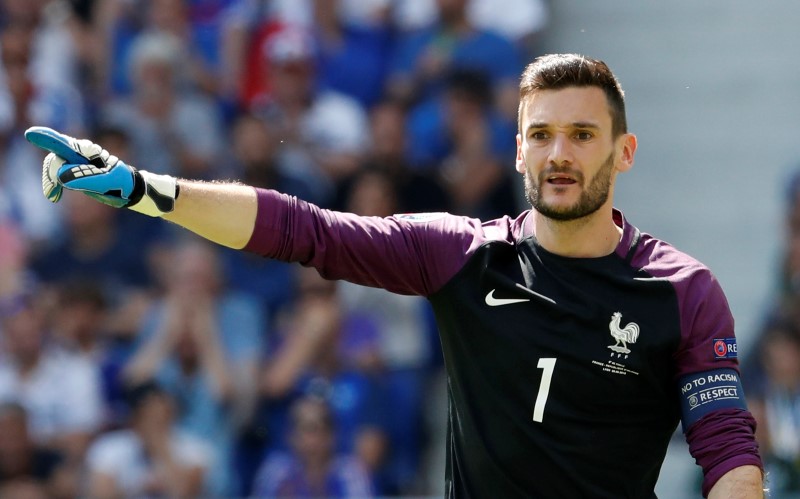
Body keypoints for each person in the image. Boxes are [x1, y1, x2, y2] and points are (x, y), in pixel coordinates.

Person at [27, 53, 763, 497]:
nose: (558, 153)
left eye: (581, 134)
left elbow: (728, 452)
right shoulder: (463, 254)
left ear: (624, 151)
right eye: (540, 134)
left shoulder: (682, 291)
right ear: (517, 152)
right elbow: (304, 229)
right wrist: (144, 189)